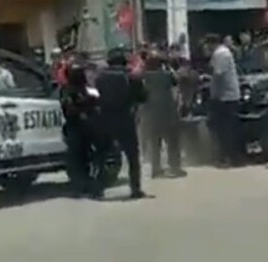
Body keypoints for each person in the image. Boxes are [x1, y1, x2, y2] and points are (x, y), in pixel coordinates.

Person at [95, 48, 149, 199]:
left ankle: (98, 190)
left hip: (104, 119)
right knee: (132, 156)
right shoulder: (130, 76)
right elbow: (143, 97)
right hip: (125, 119)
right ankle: (135, 189)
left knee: (102, 156)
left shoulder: (99, 77)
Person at [60, 62, 106, 198]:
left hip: (86, 128)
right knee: (78, 160)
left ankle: (92, 188)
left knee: (88, 159)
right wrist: (84, 109)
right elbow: (68, 108)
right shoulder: (68, 90)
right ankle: (82, 187)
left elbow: (98, 102)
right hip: (77, 127)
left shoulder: (87, 89)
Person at [141, 54, 186, 179]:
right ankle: (175, 168)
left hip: (151, 114)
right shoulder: (167, 75)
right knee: (172, 141)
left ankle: (156, 169)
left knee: (155, 143)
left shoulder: (144, 77)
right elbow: (176, 86)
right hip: (167, 112)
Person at [204, 34, 244, 167]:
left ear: (212, 43)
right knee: (228, 128)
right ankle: (232, 157)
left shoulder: (220, 54)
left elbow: (218, 74)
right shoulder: (221, 53)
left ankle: (230, 158)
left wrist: (208, 79)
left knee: (226, 130)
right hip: (226, 96)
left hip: (226, 97)